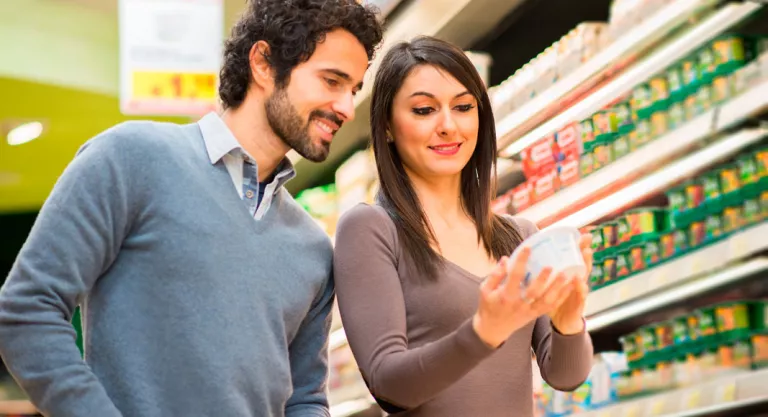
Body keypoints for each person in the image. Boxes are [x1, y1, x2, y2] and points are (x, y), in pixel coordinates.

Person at [0, 1, 382, 416]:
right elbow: (26, 310)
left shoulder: (313, 248)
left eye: (354, 89)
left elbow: (305, 399)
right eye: (332, 81)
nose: (346, 106)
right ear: (263, 63)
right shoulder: (131, 158)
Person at [333, 36, 594, 417]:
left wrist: (569, 318)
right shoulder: (371, 229)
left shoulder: (519, 237)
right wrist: (483, 332)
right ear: (387, 126)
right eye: (424, 110)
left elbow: (565, 375)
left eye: (463, 107)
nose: (448, 125)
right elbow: (388, 385)